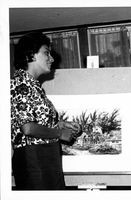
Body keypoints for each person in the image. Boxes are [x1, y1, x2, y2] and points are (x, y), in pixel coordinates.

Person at [10, 32, 82, 190]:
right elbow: (27, 127)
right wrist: (60, 133)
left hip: (45, 156)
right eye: (46, 53)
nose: (52, 58)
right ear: (31, 54)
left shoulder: (34, 86)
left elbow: (37, 121)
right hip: (34, 159)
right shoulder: (20, 82)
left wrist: (62, 124)